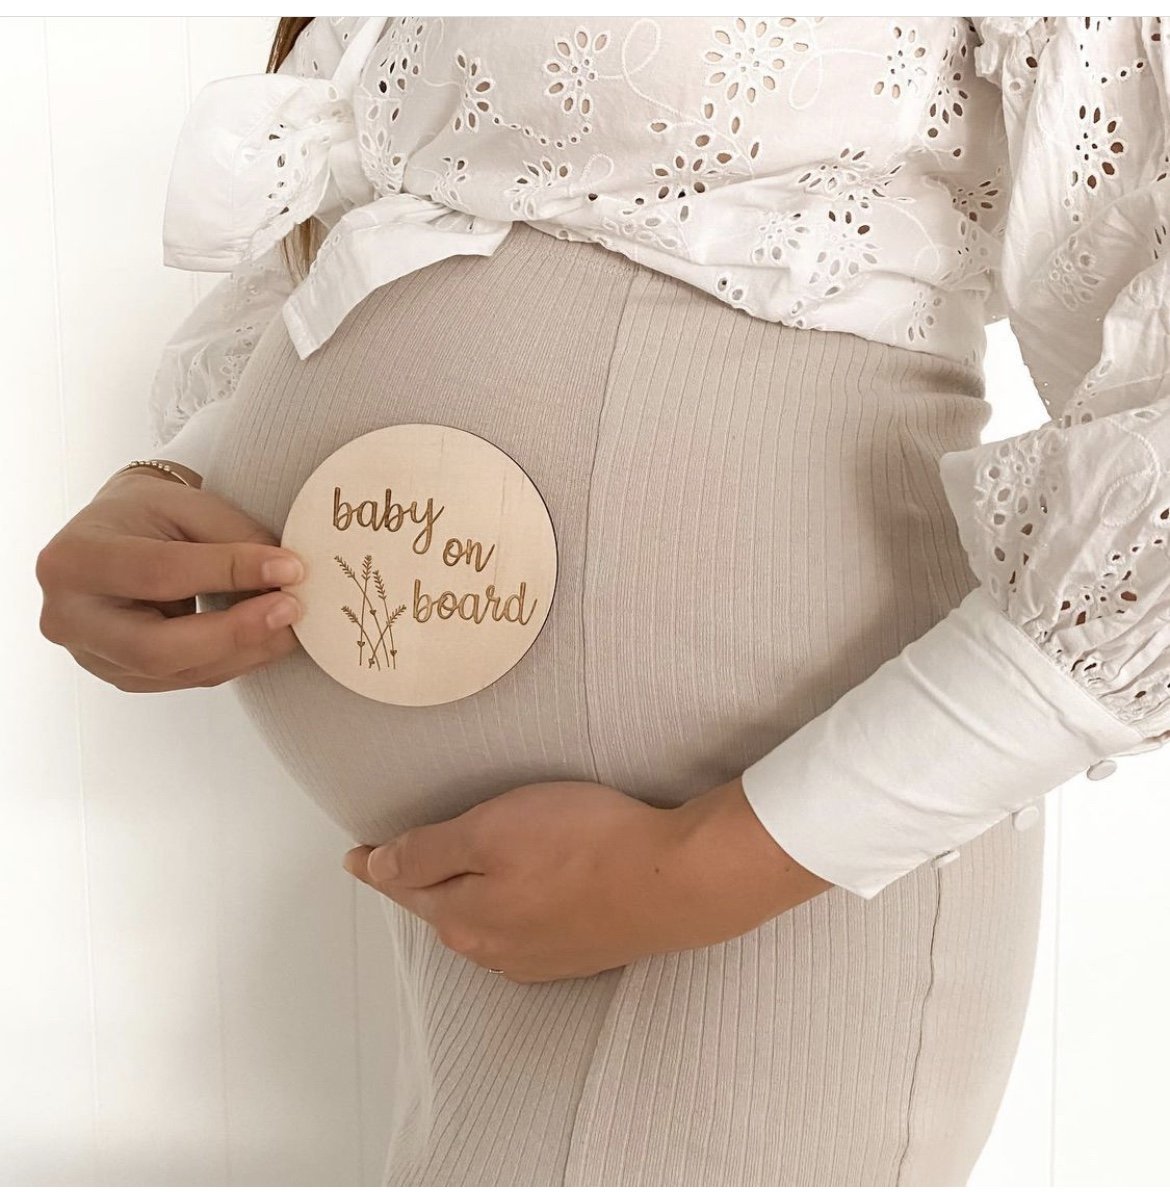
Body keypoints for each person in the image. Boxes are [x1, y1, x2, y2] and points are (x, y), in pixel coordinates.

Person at [34, 15, 1170, 1186]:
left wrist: (699, 869)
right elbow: (422, 215)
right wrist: (180, 476)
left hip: (768, 862)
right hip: (492, 890)